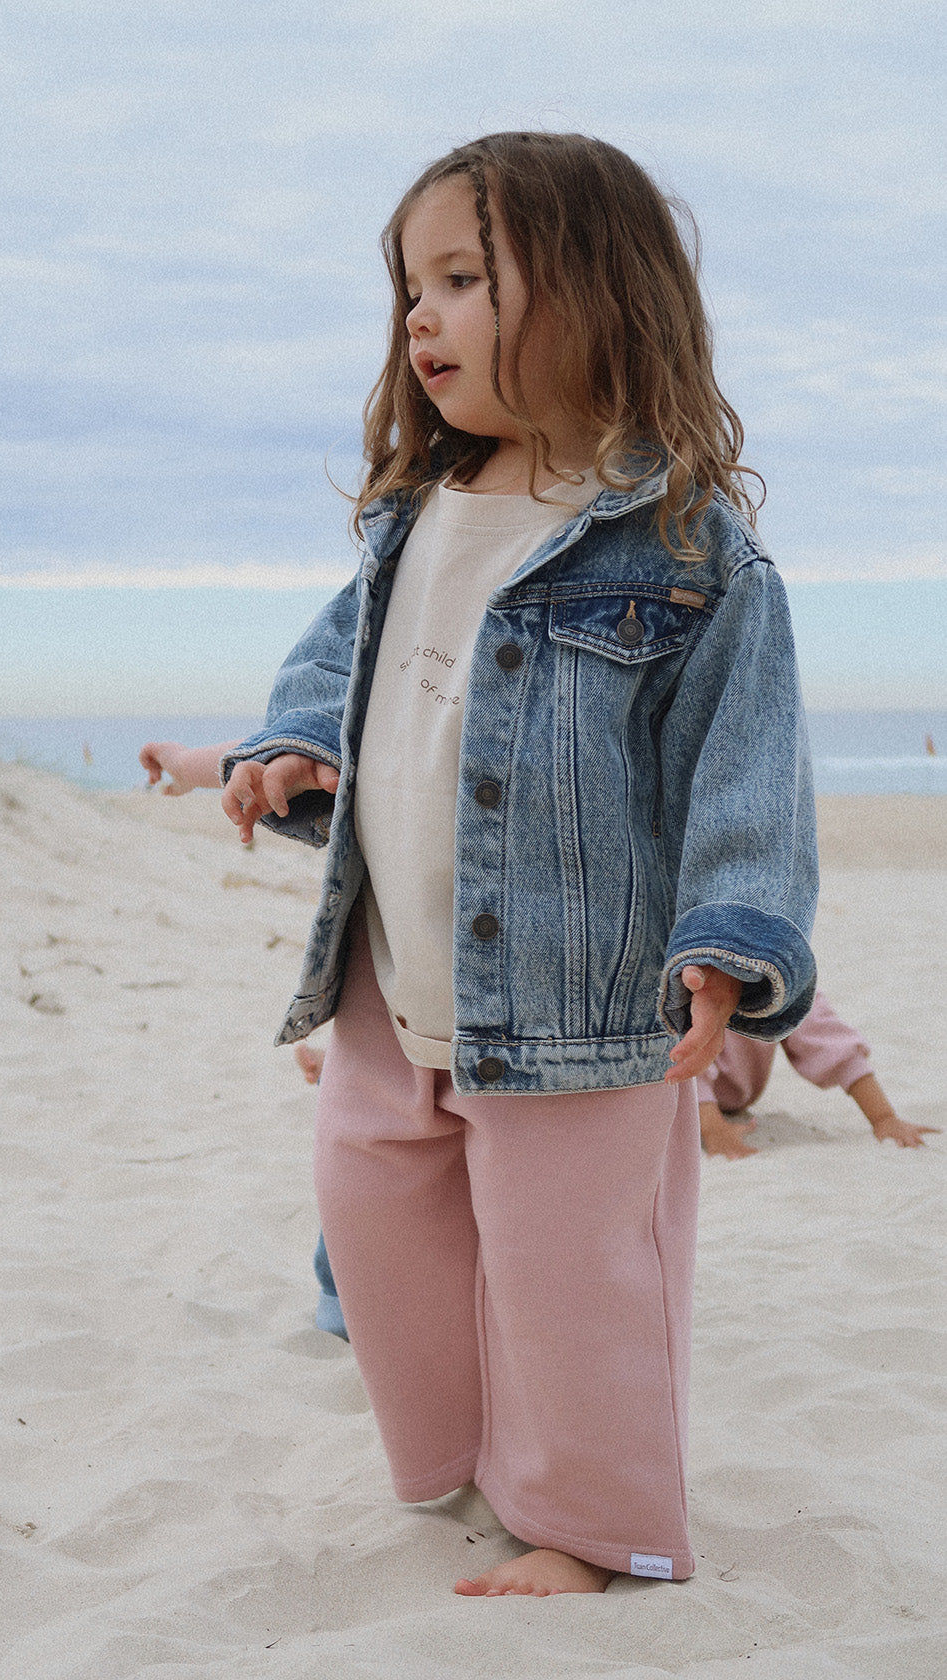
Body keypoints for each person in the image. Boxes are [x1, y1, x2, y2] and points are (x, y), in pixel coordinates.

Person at [142, 132, 818, 1597]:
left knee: (575, 1272)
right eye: (409, 288)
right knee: (375, 1216)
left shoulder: (693, 557)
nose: (419, 317)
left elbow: (747, 776)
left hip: (585, 1000)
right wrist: (291, 752)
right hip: (393, 976)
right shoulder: (408, 521)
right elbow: (337, 677)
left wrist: (733, 934)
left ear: (595, 294)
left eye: (461, 278)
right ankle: (463, 1456)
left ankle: (587, 1524)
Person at [698, 989, 938, 1158]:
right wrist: (713, 1129)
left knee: (792, 992)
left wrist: (884, 1118)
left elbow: (829, 1041)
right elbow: (676, 1053)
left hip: (731, 1096)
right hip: (676, 1092)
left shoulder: (779, 969)